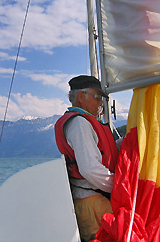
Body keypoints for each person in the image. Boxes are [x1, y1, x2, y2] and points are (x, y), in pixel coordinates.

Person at [54, 75, 119, 241]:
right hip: (92, 202)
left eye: (102, 98)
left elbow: (104, 152)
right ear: (81, 97)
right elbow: (90, 169)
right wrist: (119, 187)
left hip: (96, 198)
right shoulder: (79, 124)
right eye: (97, 97)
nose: (100, 103)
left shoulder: (86, 123)